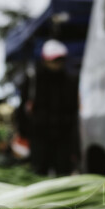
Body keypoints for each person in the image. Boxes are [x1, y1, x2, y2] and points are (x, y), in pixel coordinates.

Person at [28, 40, 78, 177]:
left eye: (60, 60)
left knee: (63, 172)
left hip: (63, 138)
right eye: (54, 60)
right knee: (39, 172)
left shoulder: (70, 81)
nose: (57, 63)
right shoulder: (33, 81)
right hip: (40, 137)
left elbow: (74, 111)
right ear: (44, 60)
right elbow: (25, 110)